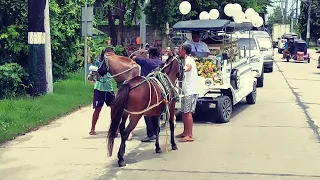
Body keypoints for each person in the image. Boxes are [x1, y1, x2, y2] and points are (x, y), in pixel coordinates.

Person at [89, 53, 133, 140]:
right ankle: (92, 128)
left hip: (109, 90)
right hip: (99, 90)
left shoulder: (112, 67)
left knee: (114, 108)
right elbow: (92, 71)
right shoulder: (100, 64)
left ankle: (114, 128)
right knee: (97, 109)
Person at [131, 47, 164, 142]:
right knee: (156, 113)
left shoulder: (145, 61)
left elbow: (132, 57)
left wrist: (140, 53)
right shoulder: (161, 63)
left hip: (147, 89)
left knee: (147, 113)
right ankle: (155, 133)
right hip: (158, 90)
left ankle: (150, 134)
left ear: (150, 55)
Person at [176, 43, 200, 142]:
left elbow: (188, 67)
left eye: (180, 49)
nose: (178, 51)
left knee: (188, 112)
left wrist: (182, 69)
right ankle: (185, 132)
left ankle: (189, 135)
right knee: (184, 112)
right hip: (186, 90)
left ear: (184, 51)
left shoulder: (189, 60)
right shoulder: (184, 60)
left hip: (191, 90)